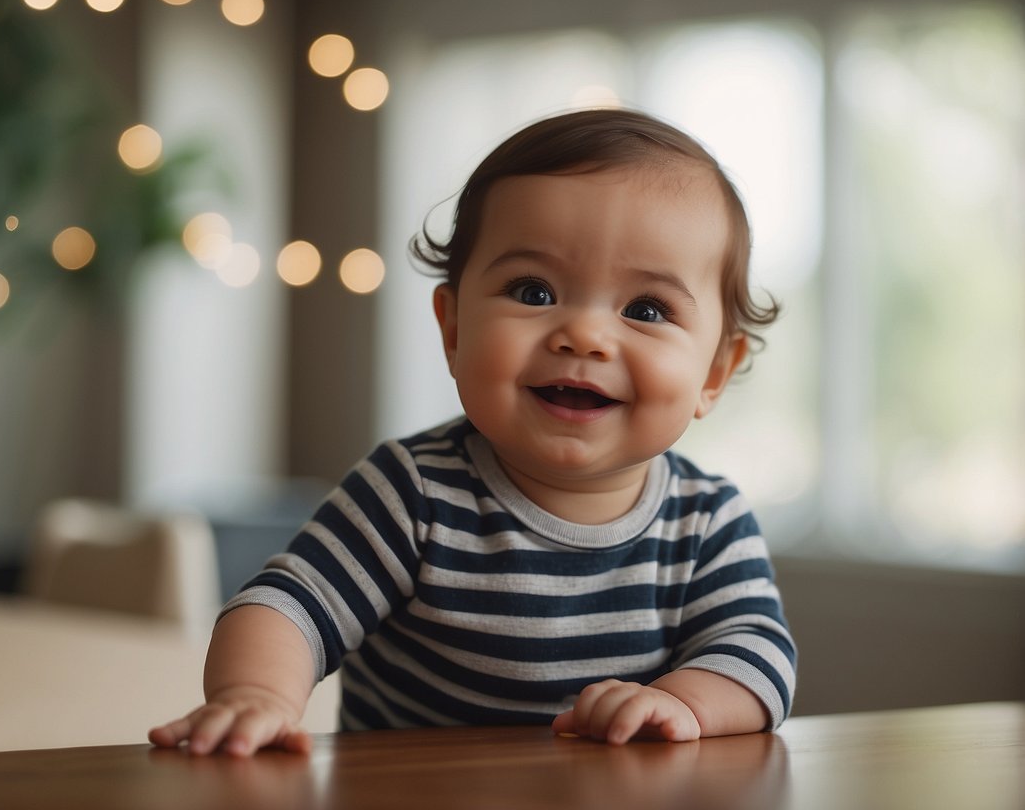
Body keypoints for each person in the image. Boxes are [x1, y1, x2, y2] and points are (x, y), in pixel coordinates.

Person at [149, 108, 797, 758]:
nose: (585, 335)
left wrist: (683, 701)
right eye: (533, 291)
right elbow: (289, 606)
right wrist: (256, 695)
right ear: (453, 329)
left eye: (645, 310)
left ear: (714, 372)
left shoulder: (706, 521)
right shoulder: (414, 492)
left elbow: (756, 655)